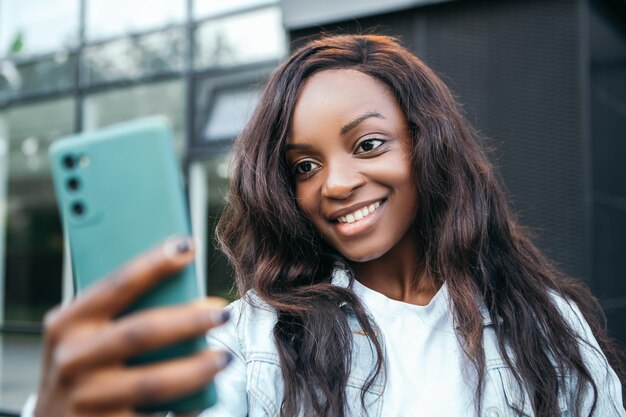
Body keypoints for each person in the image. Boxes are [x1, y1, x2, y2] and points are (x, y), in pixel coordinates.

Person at [25, 34, 625, 417]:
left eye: (367, 144)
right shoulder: (254, 340)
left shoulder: (545, 324)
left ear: (428, 148)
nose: (333, 184)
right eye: (304, 166)